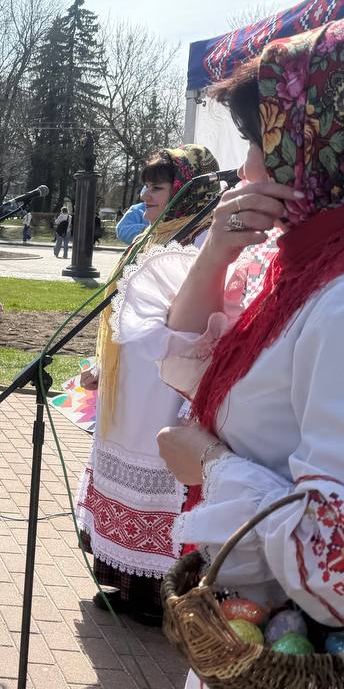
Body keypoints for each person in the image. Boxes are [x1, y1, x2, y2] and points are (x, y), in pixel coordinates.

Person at [151, 16, 344, 689]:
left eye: (260, 141)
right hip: (260, 629)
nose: (246, 168)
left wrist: (211, 467)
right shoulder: (313, 261)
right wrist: (214, 252)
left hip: (307, 676)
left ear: (330, 139)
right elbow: (186, 360)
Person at [74, 145, 219, 627]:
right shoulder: (152, 240)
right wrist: (98, 362)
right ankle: (123, 582)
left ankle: (160, 597)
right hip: (128, 393)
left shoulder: (205, 247)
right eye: (147, 185)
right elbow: (120, 313)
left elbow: (200, 334)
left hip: (165, 395)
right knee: (121, 474)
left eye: (156, 187)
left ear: (185, 190)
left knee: (160, 482)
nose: (144, 195)